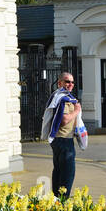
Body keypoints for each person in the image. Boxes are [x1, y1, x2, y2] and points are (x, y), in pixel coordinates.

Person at [40, 70, 86, 200]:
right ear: (60, 83)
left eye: (72, 82)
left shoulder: (60, 96)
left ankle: (56, 198)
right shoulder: (63, 99)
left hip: (59, 140)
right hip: (63, 140)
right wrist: (77, 110)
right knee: (67, 173)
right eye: (67, 81)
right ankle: (62, 201)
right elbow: (64, 120)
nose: (70, 84)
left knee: (59, 170)